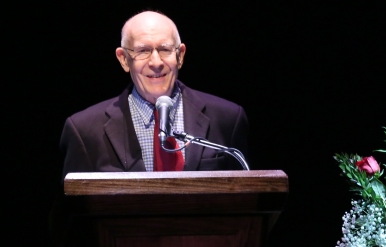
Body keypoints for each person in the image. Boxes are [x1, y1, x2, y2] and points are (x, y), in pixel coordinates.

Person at [59, 11, 249, 179]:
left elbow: (248, 205)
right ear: (124, 60)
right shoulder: (84, 130)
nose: (156, 62)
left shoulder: (228, 119)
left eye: (165, 49)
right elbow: (69, 215)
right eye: (143, 51)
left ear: (180, 56)